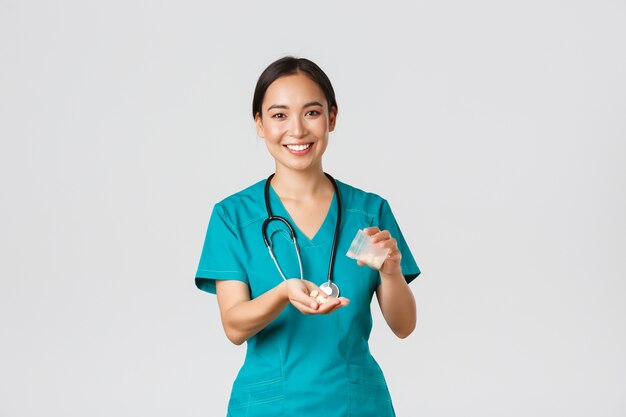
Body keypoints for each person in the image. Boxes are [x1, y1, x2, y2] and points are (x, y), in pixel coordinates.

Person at [195, 56, 421, 417]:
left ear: (332, 117)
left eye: (312, 113)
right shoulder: (233, 216)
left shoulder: (370, 212)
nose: (297, 130)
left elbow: (404, 326)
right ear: (260, 123)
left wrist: (391, 272)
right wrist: (285, 293)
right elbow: (234, 326)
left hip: (357, 406)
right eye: (279, 115)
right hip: (270, 406)